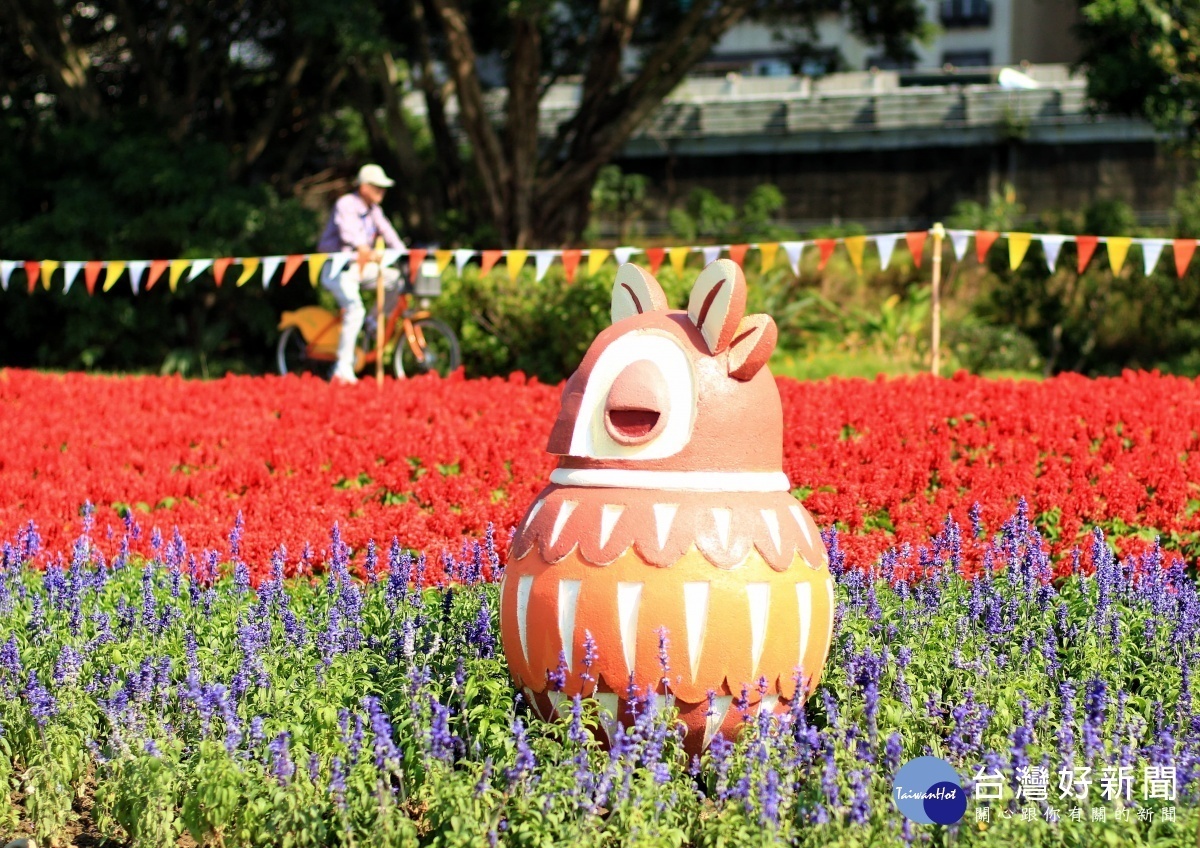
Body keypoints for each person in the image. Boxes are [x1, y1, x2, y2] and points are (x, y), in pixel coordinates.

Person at [317, 163, 407, 384]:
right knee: (354, 309)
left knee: (396, 280)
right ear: (364, 187)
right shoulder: (346, 204)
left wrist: (407, 255)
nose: (382, 192)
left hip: (359, 268)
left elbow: (389, 234)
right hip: (338, 269)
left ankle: (373, 321)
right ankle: (342, 368)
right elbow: (351, 235)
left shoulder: (375, 211)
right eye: (378, 187)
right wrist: (365, 249)